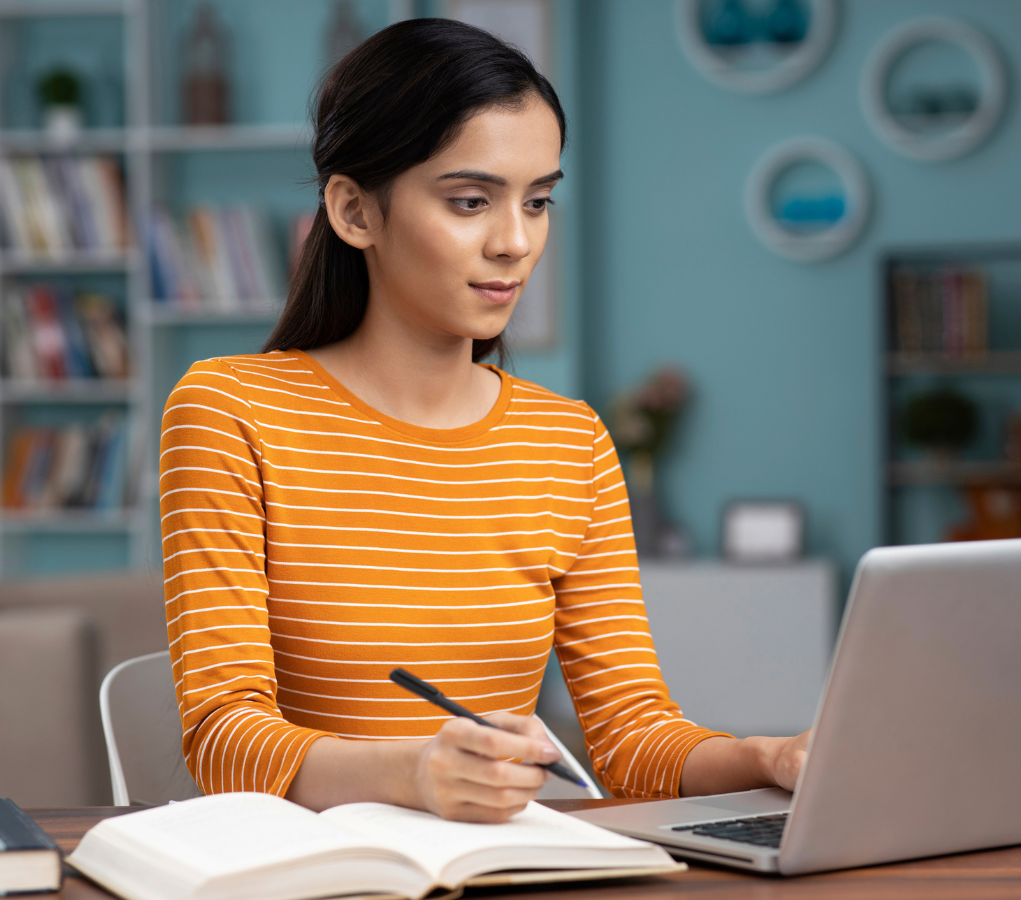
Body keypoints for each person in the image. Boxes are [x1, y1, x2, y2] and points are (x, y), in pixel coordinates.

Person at [160, 18, 809, 824]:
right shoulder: (230, 410)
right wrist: (413, 775)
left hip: (499, 861)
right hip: (315, 867)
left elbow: (630, 740)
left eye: (538, 201)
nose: (515, 242)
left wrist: (768, 757)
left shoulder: (569, 442)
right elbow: (223, 738)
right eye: (471, 201)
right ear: (355, 212)